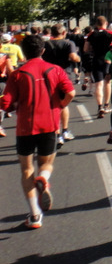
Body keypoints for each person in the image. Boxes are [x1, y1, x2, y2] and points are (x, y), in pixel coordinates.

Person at [1, 34, 75, 229]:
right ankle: (45, 178)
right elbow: (70, 93)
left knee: (26, 170)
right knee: (47, 163)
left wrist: (11, 107)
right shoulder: (55, 70)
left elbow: (6, 103)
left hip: (25, 127)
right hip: (49, 124)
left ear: (23, 53)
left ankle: (35, 215)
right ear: (43, 51)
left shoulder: (17, 74)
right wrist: (59, 105)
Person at [43, 24, 81, 147]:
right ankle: (64, 131)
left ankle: (57, 133)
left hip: (48, 76)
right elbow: (73, 57)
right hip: (64, 75)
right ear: (64, 32)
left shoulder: (45, 44)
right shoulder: (68, 44)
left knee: (52, 105)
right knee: (63, 105)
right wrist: (78, 58)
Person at [84, 16, 112, 119]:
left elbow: (86, 49)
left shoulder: (91, 35)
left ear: (96, 24)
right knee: (108, 83)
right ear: (106, 23)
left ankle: (100, 106)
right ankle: (107, 105)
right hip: (108, 60)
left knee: (98, 84)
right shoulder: (111, 34)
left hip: (96, 59)